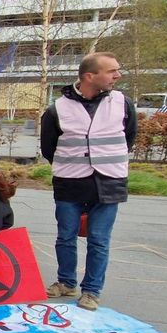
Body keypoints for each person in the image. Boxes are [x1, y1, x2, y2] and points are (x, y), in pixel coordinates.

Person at [40, 52, 136, 311]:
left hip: (109, 181)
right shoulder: (57, 109)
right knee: (66, 236)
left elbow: (128, 138)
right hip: (70, 181)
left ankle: (92, 290)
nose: (117, 75)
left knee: (99, 239)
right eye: (111, 70)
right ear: (89, 76)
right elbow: (48, 147)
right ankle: (66, 282)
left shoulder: (122, 103)